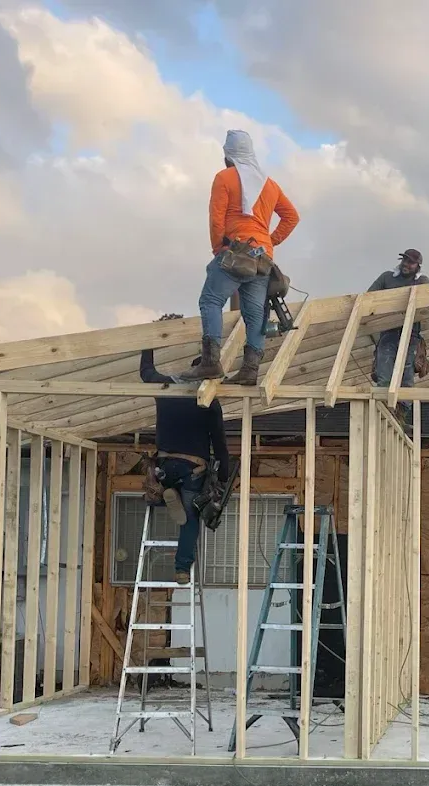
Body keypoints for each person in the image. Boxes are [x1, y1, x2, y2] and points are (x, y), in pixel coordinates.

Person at [181, 129, 300, 385]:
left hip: (237, 252)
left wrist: (218, 249)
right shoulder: (269, 184)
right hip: (262, 260)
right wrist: (270, 241)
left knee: (210, 300)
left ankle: (211, 362)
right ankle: (250, 370)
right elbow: (292, 217)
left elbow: (216, 217)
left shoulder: (225, 177)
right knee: (255, 313)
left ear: (229, 154)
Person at [141, 350, 230, 584]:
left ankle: (162, 496)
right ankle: (181, 568)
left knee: (168, 493)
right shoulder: (209, 401)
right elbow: (220, 445)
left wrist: (149, 345)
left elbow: (146, 372)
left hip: (164, 465)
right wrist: (223, 479)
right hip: (193, 469)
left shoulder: (166, 387)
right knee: (191, 517)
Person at [368, 249, 429, 391]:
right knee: (384, 375)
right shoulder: (387, 278)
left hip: (410, 334)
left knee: (406, 377)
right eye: (405, 261)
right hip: (388, 333)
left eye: (411, 263)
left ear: (418, 266)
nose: (406, 265)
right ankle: (382, 409)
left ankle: (402, 411)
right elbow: (369, 298)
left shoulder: (421, 281)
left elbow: (426, 305)